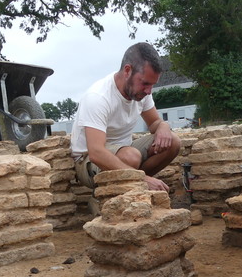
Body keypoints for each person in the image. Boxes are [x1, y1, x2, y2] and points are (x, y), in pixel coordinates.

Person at [70, 42, 181, 192]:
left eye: (152, 85)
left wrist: (163, 126)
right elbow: (96, 152)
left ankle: (133, 187)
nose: (149, 91)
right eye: (145, 84)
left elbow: (155, 122)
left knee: (172, 142)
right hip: (88, 161)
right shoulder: (98, 97)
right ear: (127, 71)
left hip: (125, 153)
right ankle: (104, 199)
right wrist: (142, 178)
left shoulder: (142, 93)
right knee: (131, 157)